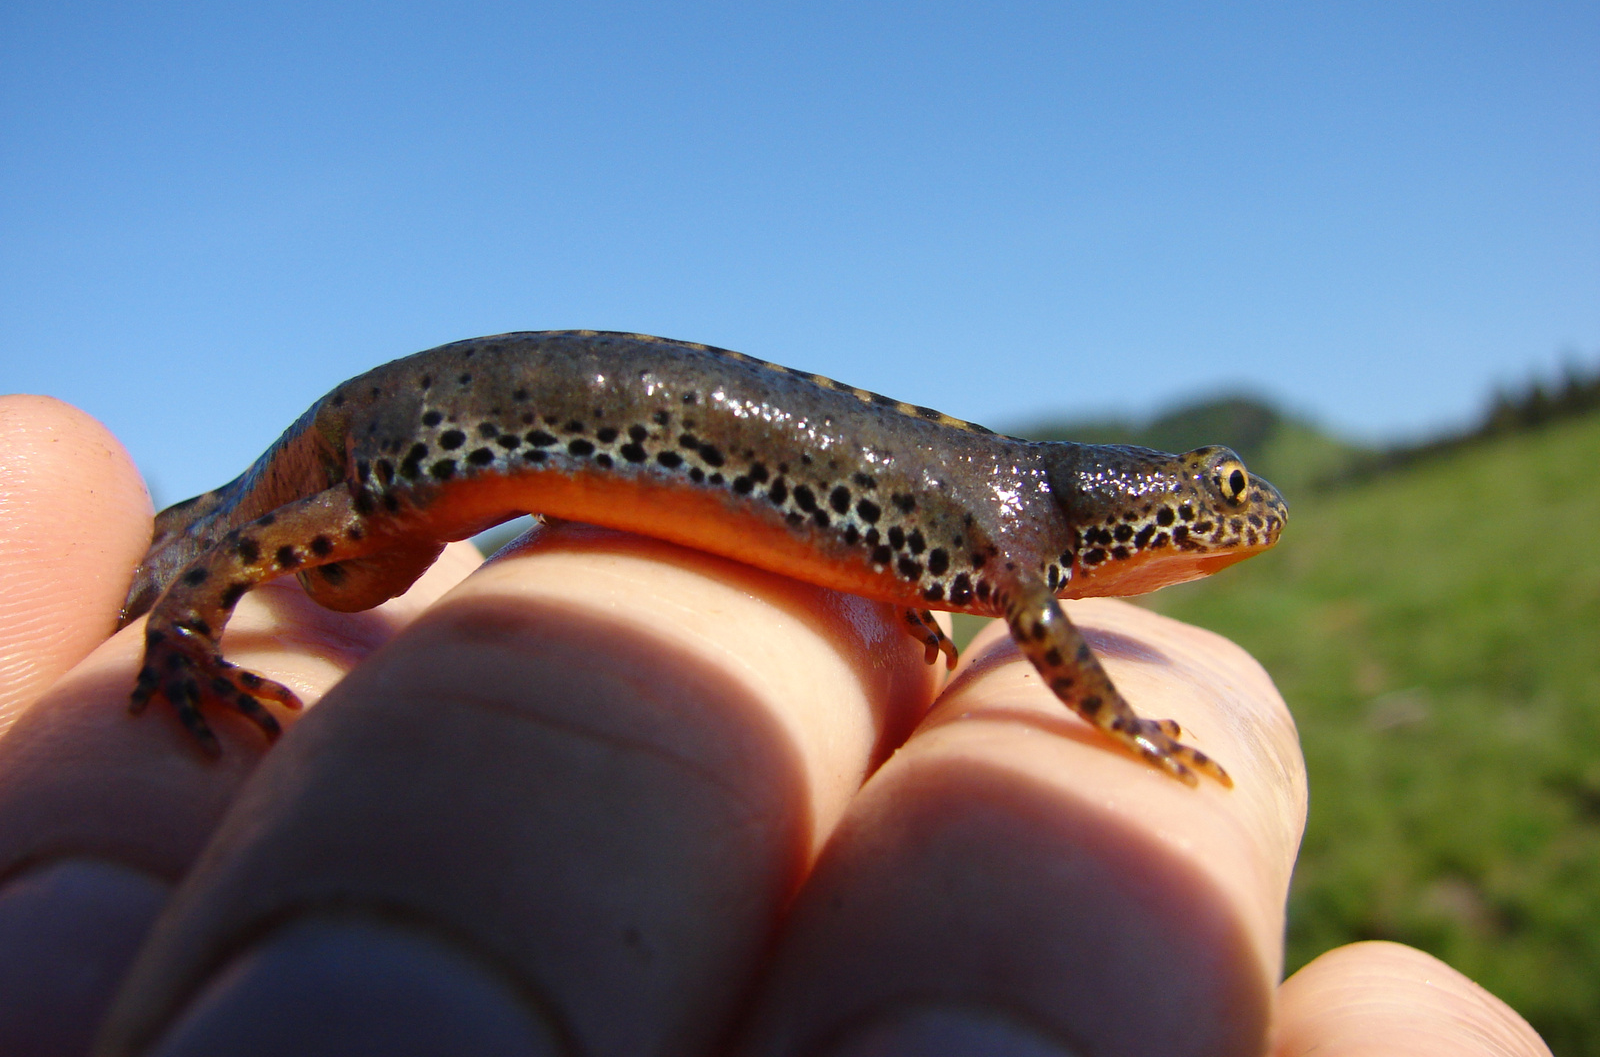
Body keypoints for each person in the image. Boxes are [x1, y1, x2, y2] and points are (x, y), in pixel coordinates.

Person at [0, 395, 1550, 1057]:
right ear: (1135, 501)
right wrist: (1128, 731)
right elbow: (1064, 647)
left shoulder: (999, 516)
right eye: (1211, 495)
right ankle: (186, 624)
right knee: (341, 510)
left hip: (434, 437)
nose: (1231, 518)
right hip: (425, 424)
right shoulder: (1015, 524)